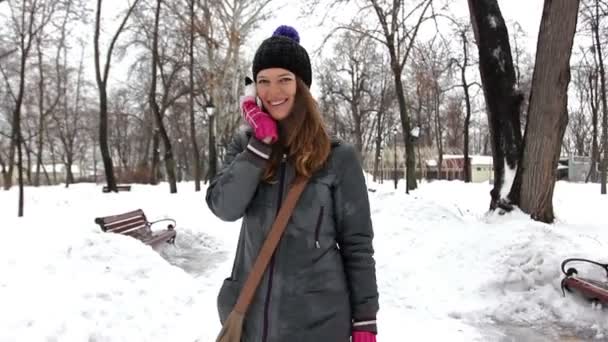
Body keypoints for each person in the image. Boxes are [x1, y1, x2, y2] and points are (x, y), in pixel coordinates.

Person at [206, 25, 379, 342]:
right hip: (251, 322)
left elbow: (357, 245)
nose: (273, 92)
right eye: (263, 81)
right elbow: (224, 207)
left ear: (301, 86)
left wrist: (365, 319)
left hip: (318, 325)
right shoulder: (246, 147)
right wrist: (260, 145)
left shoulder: (338, 157)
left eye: (284, 79)